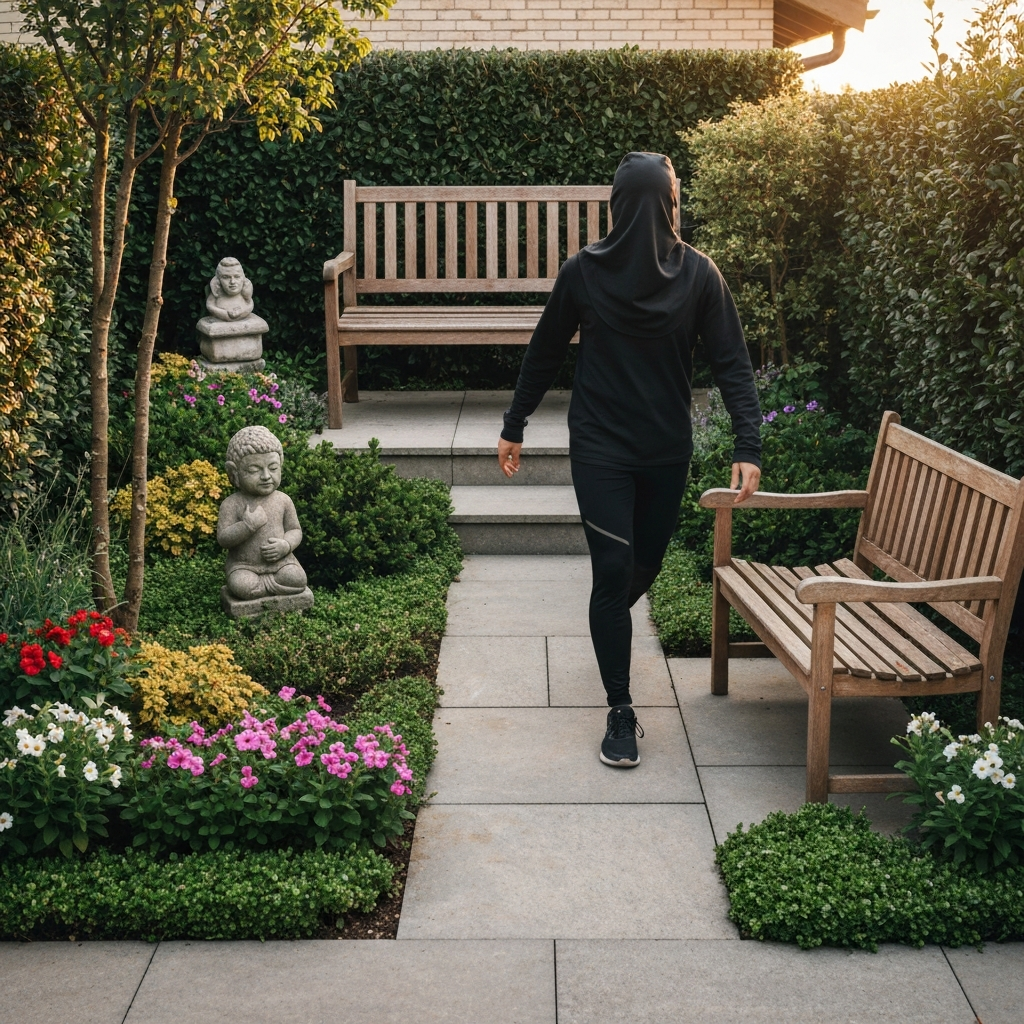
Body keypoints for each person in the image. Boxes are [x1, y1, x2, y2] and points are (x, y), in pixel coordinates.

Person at [497, 152, 762, 768]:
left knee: (642, 566)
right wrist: (515, 424)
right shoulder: (583, 273)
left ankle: (606, 622)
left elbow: (732, 363)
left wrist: (748, 443)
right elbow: (544, 351)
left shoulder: (699, 275)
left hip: (666, 450)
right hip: (600, 446)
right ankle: (620, 707)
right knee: (613, 569)